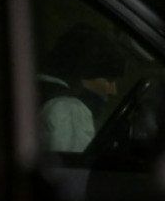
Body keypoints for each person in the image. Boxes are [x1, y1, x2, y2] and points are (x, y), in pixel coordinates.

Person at [38, 22, 125, 152]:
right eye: (109, 80)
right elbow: (75, 169)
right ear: (84, 74)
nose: (113, 91)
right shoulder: (69, 109)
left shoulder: (32, 90)